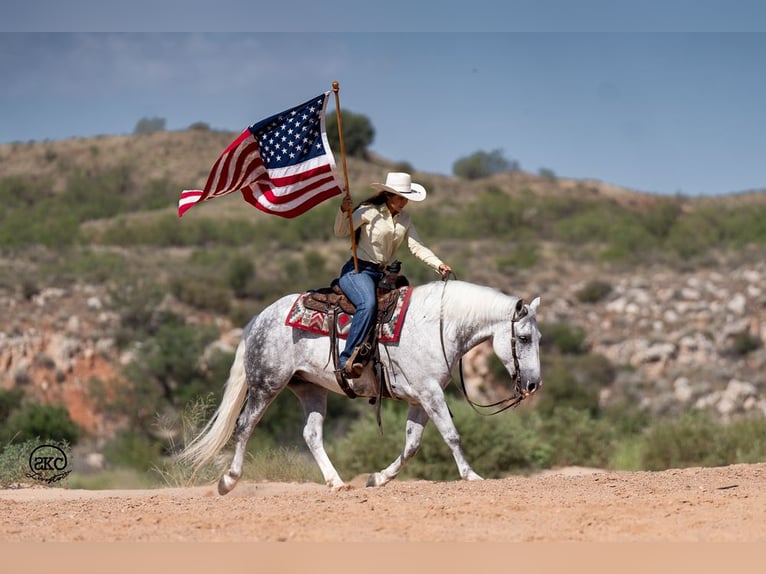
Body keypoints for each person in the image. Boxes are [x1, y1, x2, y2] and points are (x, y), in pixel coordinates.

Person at [333, 172, 452, 378]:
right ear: (388, 195)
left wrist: (438, 264)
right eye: (400, 197)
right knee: (367, 304)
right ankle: (346, 359)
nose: (404, 202)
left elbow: (418, 247)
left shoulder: (405, 219)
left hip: (381, 274)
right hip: (357, 270)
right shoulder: (368, 212)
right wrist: (343, 211)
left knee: (407, 309)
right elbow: (342, 231)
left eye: (406, 197)